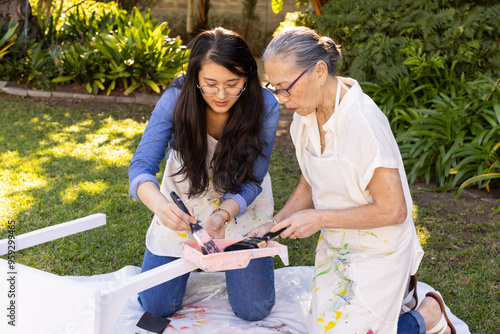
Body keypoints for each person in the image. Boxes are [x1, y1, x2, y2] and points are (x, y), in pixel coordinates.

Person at [251, 26, 456, 334]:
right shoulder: (304, 117)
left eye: (285, 87)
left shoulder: (363, 122)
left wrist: (318, 218)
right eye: (274, 88)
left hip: (380, 247)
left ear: (320, 71)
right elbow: (311, 180)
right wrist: (275, 223)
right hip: (337, 241)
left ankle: (428, 313)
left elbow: (394, 211)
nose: (280, 98)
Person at [128, 27, 280, 321]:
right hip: (183, 198)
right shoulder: (175, 99)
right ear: (195, 76)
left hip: (241, 202)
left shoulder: (266, 105)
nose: (221, 95)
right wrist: (162, 207)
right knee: (156, 306)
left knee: (254, 309)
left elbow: (254, 178)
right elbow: (141, 166)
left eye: (233, 83)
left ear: (248, 76)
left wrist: (224, 213)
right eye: (210, 83)